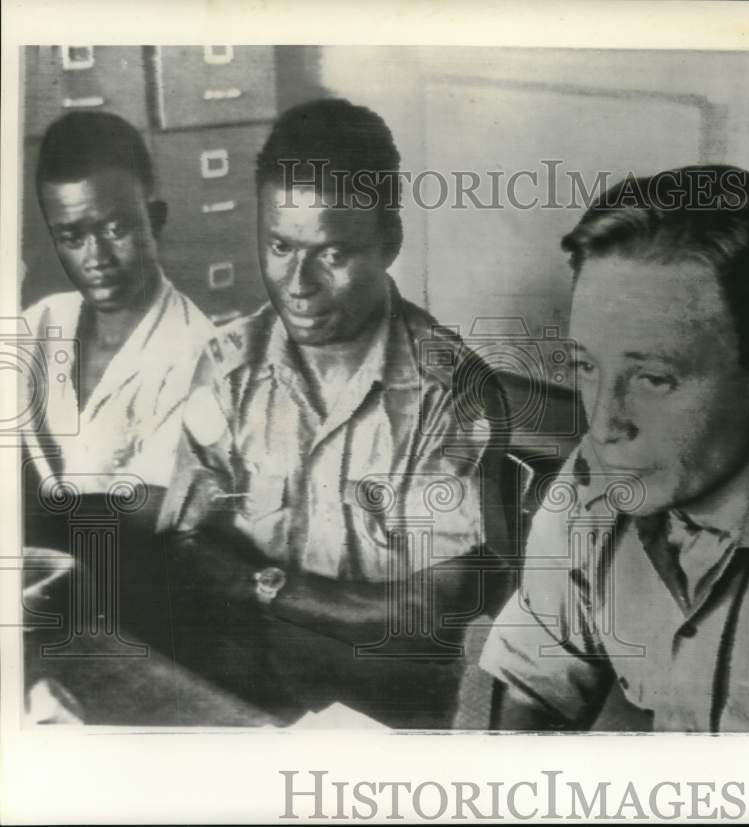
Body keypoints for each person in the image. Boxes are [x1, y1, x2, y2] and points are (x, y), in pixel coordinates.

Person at [157, 99, 509, 719]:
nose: (298, 284)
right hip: (239, 690)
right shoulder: (227, 366)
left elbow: (428, 614)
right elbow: (181, 548)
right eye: (279, 246)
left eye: (331, 254)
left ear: (389, 243)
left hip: (382, 715)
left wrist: (259, 583)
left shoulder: (452, 395)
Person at [479, 166, 749, 733]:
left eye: (652, 379)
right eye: (588, 367)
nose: (606, 423)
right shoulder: (594, 483)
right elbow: (533, 681)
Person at [22, 112, 212, 495]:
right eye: (73, 237)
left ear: (155, 220)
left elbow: (159, 518)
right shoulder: (40, 321)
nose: (97, 258)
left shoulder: (196, 356)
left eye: (115, 229)